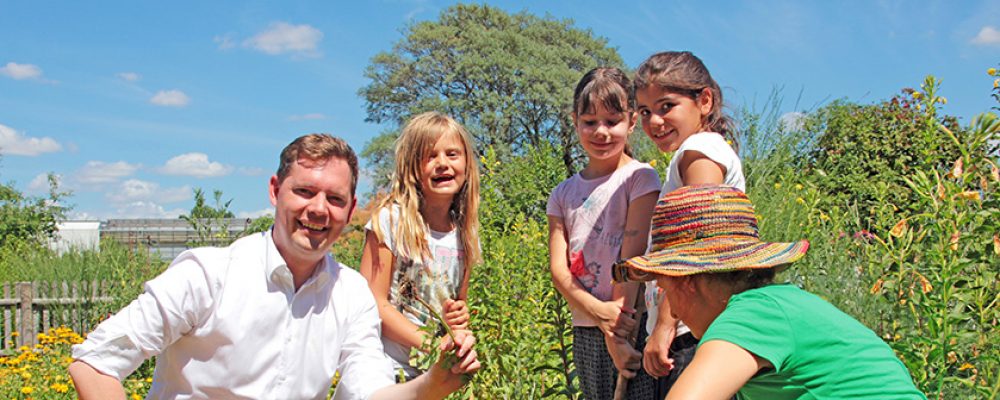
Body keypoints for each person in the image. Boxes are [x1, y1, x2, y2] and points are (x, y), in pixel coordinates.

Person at [68, 134, 480, 400]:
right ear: (274, 191)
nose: (318, 210)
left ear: (351, 210)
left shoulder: (351, 295)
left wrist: (433, 384)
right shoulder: (208, 275)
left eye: (335, 199)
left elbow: (370, 392)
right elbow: (94, 363)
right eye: (304, 192)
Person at [614, 184, 926, 400]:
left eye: (665, 288)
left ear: (687, 281)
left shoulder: (753, 315)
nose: (676, 312)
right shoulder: (778, 308)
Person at [632, 50, 746, 396]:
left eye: (667, 106)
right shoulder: (696, 151)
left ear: (705, 101)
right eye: (646, 111)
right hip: (690, 321)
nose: (655, 121)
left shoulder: (698, 151)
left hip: (690, 325)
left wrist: (665, 325)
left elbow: (696, 242)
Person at [547, 67, 662, 399]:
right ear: (575, 121)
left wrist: (618, 334)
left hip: (633, 321)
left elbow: (632, 258)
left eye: (612, 121)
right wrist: (599, 316)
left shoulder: (640, 179)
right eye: (589, 122)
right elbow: (559, 270)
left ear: (631, 121)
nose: (601, 132)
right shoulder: (562, 193)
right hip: (587, 324)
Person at [360, 112, 480, 380]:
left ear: (467, 164)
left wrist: (458, 319)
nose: (442, 164)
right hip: (385, 368)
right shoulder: (390, 221)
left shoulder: (466, 233)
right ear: (412, 167)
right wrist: (431, 345)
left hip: (433, 373)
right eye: (430, 156)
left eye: (452, 154)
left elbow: (458, 304)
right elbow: (372, 304)